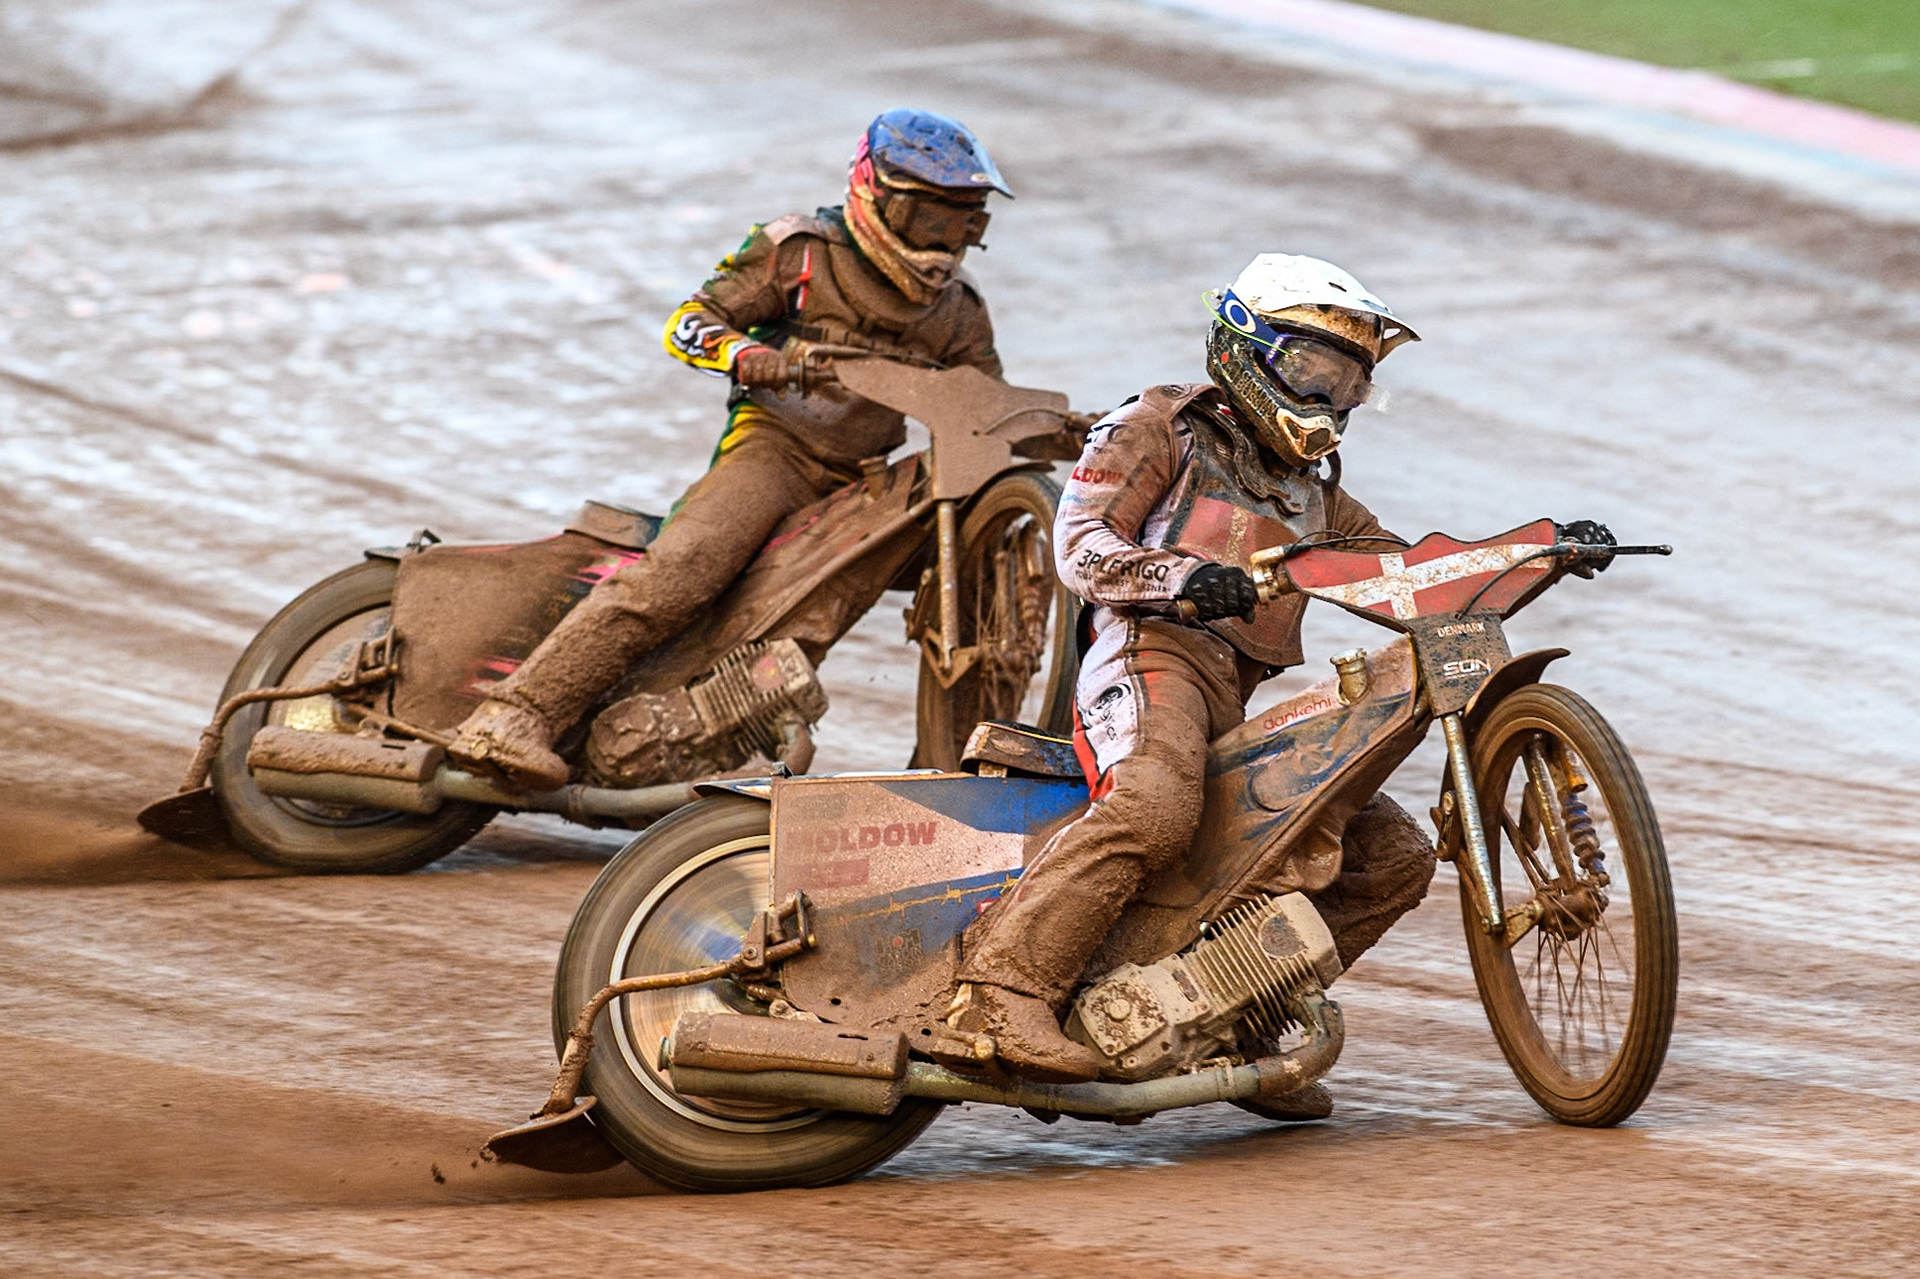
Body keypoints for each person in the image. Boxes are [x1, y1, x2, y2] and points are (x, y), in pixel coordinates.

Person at [951, 254, 1440, 1096]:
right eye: (1309, 372)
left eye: (1345, 385)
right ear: (1242, 348)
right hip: (1146, 658)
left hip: (1234, 699)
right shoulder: (1155, 425)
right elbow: (1082, 546)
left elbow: (1410, 578)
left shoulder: (1317, 499)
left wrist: (1531, 555)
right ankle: (997, 993)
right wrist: (1176, 577)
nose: (1325, 403)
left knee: (1393, 854)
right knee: (1154, 803)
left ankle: (1238, 1020)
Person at [447, 109, 1011, 789]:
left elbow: (986, 408)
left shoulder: (959, 309)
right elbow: (688, 321)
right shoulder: (797, 251)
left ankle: (960, 768)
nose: (946, 243)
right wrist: (746, 354)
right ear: (876, 194)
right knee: (679, 572)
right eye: (932, 221)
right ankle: (514, 712)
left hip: (864, 487)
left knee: (980, 552)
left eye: (964, 224)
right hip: (773, 451)